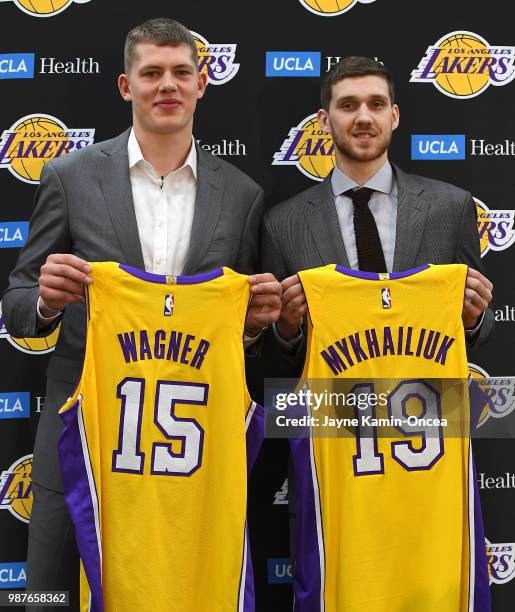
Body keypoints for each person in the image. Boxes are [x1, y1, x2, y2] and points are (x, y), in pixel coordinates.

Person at [2, 18, 281, 610]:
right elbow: (18, 300)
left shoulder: (243, 195)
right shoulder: (68, 176)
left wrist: (255, 325)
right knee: (48, 593)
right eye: (152, 73)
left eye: (181, 72)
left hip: (191, 439)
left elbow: (240, 332)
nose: (167, 86)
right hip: (81, 425)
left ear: (203, 83)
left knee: (185, 586)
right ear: (126, 86)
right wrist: (46, 302)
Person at [261, 56, 493, 375]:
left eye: (377, 104)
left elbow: (482, 329)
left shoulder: (451, 207)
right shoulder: (284, 223)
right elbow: (273, 354)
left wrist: (474, 318)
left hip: (424, 412)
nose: (364, 117)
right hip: (333, 415)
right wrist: (287, 328)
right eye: (348, 105)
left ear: (393, 116)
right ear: (324, 121)